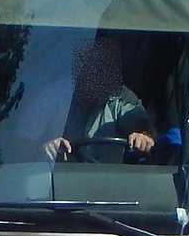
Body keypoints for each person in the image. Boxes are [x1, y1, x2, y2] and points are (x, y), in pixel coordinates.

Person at [44, 35, 155, 163]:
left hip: (110, 180)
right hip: (57, 178)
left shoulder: (121, 96)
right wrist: (46, 146)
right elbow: (21, 143)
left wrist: (143, 135)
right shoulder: (53, 95)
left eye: (106, 64)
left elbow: (143, 123)